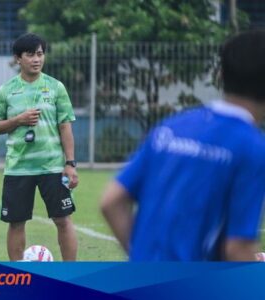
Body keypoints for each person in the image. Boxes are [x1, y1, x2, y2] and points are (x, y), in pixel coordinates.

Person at [100, 30, 265, 261]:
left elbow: (111, 201)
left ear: (221, 74)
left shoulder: (171, 127)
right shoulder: (252, 148)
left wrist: (143, 260)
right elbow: (237, 248)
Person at [0, 33, 79, 261]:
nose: (37, 59)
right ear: (18, 59)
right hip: (18, 168)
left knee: (63, 219)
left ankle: (72, 275)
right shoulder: (6, 90)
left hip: (54, 167)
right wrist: (18, 120)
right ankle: (20, 278)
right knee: (16, 222)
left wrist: (70, 164)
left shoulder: (56, 87)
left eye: (40, 54)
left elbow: (65, 126)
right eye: (30, 55)